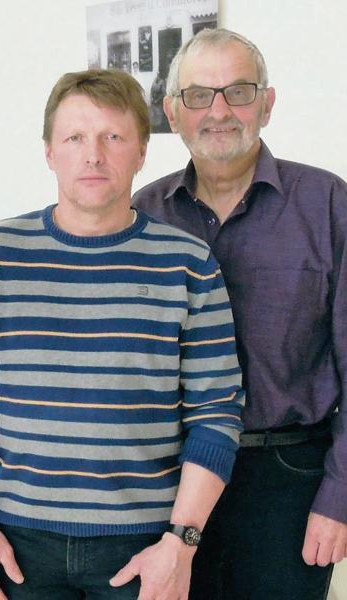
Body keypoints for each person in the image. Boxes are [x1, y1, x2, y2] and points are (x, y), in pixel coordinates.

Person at [0, 69, 245, 600]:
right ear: (48, 152)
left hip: (143, 548)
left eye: (113, 137)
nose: (93, 155)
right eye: (75, 137)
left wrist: (180, 542)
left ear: (141, 152)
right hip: (18, 544)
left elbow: (216, 412)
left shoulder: (189, 265)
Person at [134, 28, 347, 599]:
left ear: (268, 104)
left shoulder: (328, 204)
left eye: (239, 91)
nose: (220, 111)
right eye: (200, 95)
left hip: (289, 481)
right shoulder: (141, 215)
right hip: (167, 484)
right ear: (174, 113)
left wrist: (339, 496)